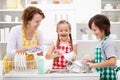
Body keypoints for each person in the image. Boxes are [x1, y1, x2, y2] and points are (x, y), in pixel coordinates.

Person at [3, 6, 45, 73]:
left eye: (40, 21)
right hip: (13, 65)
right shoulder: (15, 31)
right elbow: (9, 53)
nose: (39, 24)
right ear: (28, 20)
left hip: (29, 65)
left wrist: (39, 51)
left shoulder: (39, 33)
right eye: (37, 21)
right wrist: (26, 48)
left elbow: (42, 49)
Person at [82, 14, 119, 80]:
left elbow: (112, 61)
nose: (93, 32)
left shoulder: (109, 42)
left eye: (95, 30)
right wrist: (91, 60)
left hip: (108, 77)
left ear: (103, 28)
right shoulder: (101, 41)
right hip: (102, 76)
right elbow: (103, 59)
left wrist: (92, 65)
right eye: (92, 30)